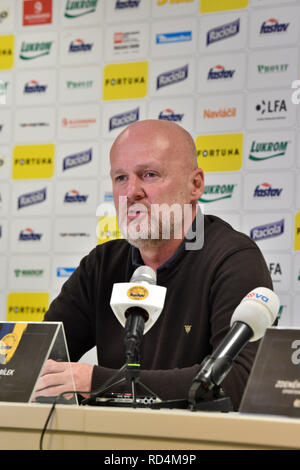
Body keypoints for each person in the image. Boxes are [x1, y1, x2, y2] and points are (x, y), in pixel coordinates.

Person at [35, 119, 273, 410]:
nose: (132, 191)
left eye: (149, 174)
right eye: (120, 178)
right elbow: (34, 360)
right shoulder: (102, 265)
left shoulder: (233, 259)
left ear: (195, 185)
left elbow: (238, 381)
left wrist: (97, 382)